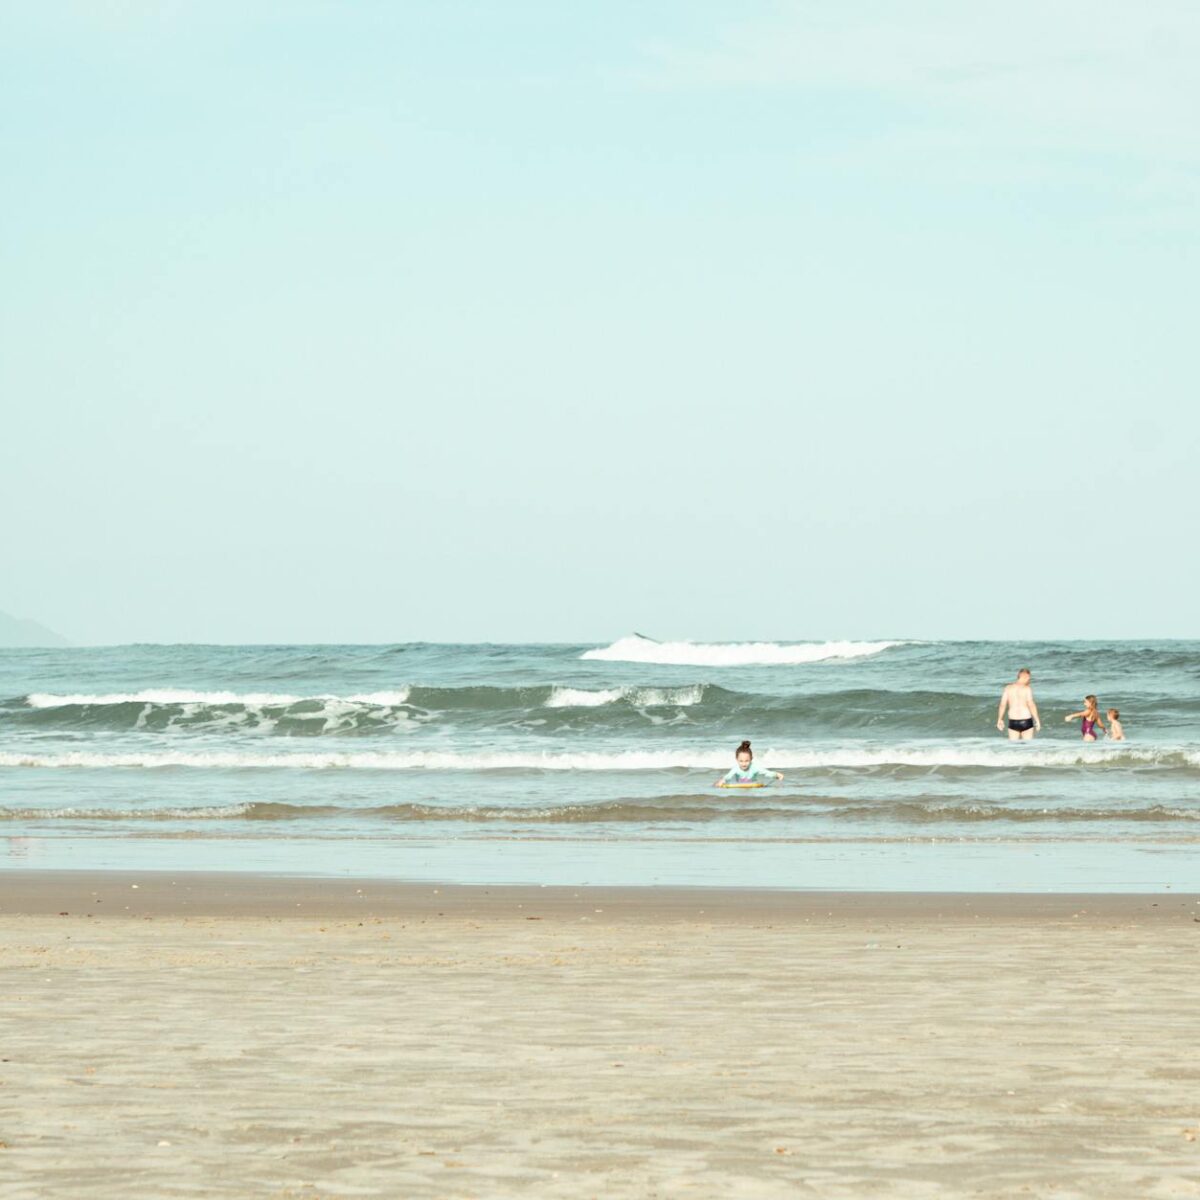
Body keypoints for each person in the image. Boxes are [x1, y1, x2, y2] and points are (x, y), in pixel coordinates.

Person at [716, 740, 782, 787]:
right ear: (737, 759)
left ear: (751, 759)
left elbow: (765, 772)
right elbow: (728, 776)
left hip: (753, 787)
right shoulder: (736, 768)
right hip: (739, 788)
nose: (744, 764)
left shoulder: (754, 767)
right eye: (741, 761)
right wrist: (722, 781)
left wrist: (776, 775)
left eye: (747, 761)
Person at [997, 668, 1040, 740]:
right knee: (1028, 747)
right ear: (1026, 677)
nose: (1029, 680)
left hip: (1013, 721)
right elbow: (1031, 704)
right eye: (1029, 678)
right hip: (1026, 721)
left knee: (1014, 748)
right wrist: (1037, 720)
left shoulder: (1008, 688)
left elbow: (1002, 704)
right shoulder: (1027, 689)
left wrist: (999, 719)